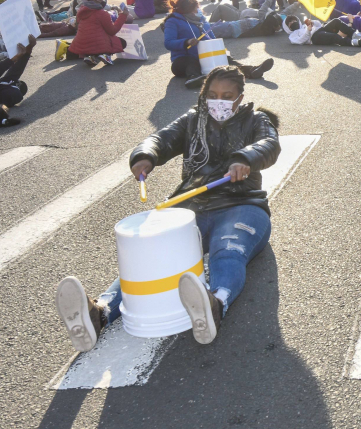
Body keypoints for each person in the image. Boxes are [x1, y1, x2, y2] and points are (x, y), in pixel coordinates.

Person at [54, 66, 280, 350]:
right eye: (212, 95)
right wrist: (145, 155)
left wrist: (245, 158)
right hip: (191, 207)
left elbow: (270, 143)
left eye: (226, 96)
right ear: (203, 95)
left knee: (228, 249)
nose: (218, 101)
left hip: (243, 205)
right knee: (149, 256)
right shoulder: (192, 120)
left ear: (240, 97)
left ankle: (215, 305)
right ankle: (99, 312)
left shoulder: (256, 119)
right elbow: (161, 138)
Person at [162, 0, 274, 87]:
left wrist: (221, 51)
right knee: (190, 62)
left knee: (228, 60)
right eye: (196, 9)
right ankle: (193, 78)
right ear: (187, 10)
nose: (199, 11)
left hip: (205, 58)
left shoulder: (202, 20)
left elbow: (212, 38)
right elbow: (168, 43)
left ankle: (252, 70)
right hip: (182, 61)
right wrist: (187, 42)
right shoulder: (173, 21)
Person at [65, 0, 129, 67]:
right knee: (121, 42)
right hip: (97, 44)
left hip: (81, 45)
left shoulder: (80, 12)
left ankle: (90, 56)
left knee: (96, 37)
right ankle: (106, 54)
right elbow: (112, 31)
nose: (104, 1)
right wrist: (123, 16)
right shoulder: (102, 14)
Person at [281, 14, 361, 47]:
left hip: (320, 29)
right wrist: (308, 31)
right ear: (288, 27)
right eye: (290, 23)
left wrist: (313, 23)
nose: (293, 22)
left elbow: (319, 24)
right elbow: (300, 41)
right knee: (334, 36)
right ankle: (353, 42)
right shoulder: (292, 36)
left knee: (336, 21)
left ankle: (356, 34)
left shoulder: (303, 25)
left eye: (294, 20)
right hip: (314, 38)